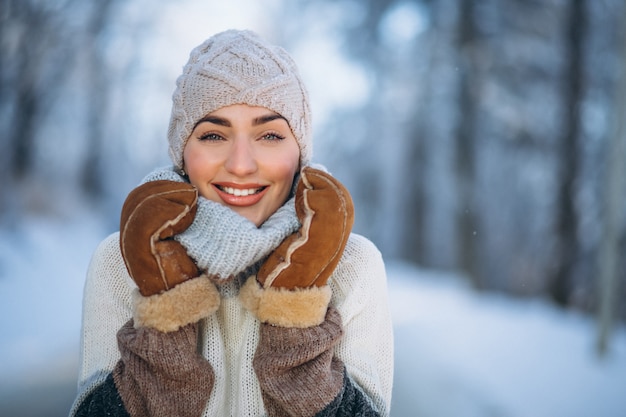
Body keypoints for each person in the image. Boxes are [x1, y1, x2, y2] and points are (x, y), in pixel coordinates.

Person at [70, 29, 393, 417]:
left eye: (270, 134)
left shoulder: (352, 264)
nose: (241, 164)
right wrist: (165, 329)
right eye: (213, 135)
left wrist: (296, 323)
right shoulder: (123, 260)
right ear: (182, 152)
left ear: (300, 151)